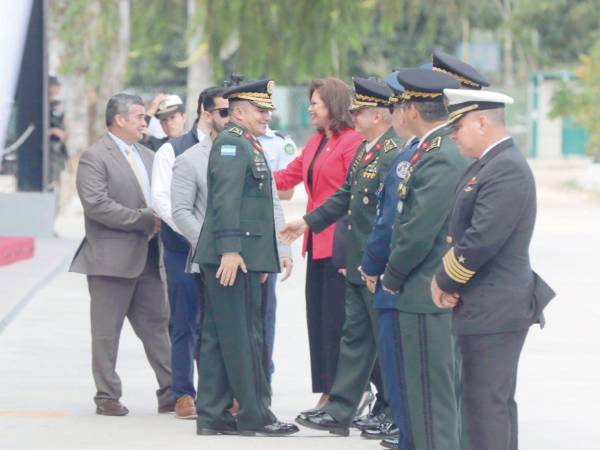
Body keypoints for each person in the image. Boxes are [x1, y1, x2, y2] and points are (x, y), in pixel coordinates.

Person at [431, 88, 555, 450]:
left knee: (487, 407)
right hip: (485, 303)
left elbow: (481, 240)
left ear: (482, 121)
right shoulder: (489, 165)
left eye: (458, 125)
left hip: (496, 305)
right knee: (488, 404)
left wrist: (443, 279)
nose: (453, 135)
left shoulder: (506, 169)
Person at [282, 77, 399, 438]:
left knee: (383, 341)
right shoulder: (367, 149)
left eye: (360, 110)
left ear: (378, 115)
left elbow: (385, 216)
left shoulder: (393, 152)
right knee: (354, 337)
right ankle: (339, 410)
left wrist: (371, 261)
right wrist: (305, 223)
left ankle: (394, 411)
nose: (354, 115)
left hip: (369, 261)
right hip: (356, 258)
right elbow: (345, 197)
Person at [363, 68, 468, 450]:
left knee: (430, 399)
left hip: (426, 291)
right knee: (418, 395)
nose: (396, 111)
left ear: (411, 109)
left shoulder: (440, 155)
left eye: (399, 104)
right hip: (420, 290)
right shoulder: (426, 149)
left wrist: (390, 275)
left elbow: (417, 230)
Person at [192, 80, 298, 437]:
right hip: (233, 257)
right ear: (238, 112)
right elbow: (225, 200)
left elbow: (256, 208)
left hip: (244, 256)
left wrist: (261, 256)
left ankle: (212, 414)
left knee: (221, 336)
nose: (268, 115)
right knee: (242, 337)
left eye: (268, 109)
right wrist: (231, 250)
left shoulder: (245, 142)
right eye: (260, 110)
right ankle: (255, 414)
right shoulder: (233, 146)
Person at [69, 93, 173, 416]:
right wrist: (141, 219)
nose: (146, 123)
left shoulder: (149, 156)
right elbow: (97, 205)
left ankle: (172, 390)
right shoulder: (95, 157)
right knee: (106, 333)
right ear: (120, 119)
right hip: (110, 262)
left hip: (150, 259)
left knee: (158, 327)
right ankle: (107, 396)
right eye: (141, 117)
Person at [273, 78, 363, 410]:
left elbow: (352, 196)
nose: (310, 108)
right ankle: (327, 390)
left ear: (335, 106)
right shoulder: (315, 141)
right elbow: (287, 177)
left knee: (338, 323)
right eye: (310, 102)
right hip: (315, 242)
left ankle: (340, 395)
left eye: (317, 103)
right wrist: (250, 171)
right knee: (320, 323)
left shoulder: (352, 142)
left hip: (340, 244)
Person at [149, 93, 201, 419]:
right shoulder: (167, 152)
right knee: (183, 322)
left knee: (211, 323)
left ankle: (215, 391)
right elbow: (162, 203)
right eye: (164, 119)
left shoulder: (205, 148)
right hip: (182, 248)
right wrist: (192, 233)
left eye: (174, 117)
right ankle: (183, 393)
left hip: (209, 248)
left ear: (186, 116)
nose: (170, 123)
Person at [257, 123, 297, 384]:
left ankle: (263, 373)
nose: (264, 115)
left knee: (265, 311)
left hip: (265, 236)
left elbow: (286, 192)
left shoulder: (280, 142)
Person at [48, 75, 68, 187]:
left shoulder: (54, 104)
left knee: (57, 177)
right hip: (48, 148)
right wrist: (54, 131)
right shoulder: (42, 104)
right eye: (57, 86)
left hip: (58, 148)